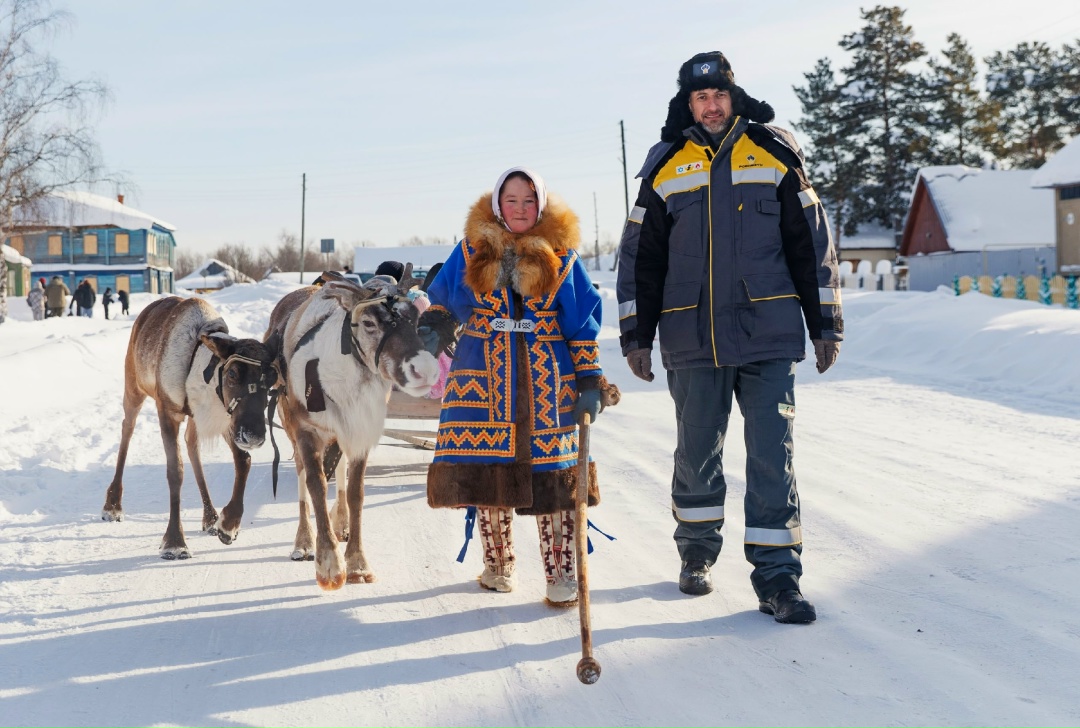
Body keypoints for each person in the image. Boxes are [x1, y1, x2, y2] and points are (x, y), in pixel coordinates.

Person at [615, 51, 843, 624]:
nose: (711, 105)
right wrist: (637, 335)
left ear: (733, 97)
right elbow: (640, 258)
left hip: (768, 334)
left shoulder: (773, 154)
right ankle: (696, 553)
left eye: (719, 94)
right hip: (691, 337)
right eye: (701, 97)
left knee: (772, 457)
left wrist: (825, 323)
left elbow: (811, 245)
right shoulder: (666, 166)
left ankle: (778, 579)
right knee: (697, 454)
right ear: (688, 104)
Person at [420, 167, 606, 606]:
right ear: (498, 205)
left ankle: (561, 574)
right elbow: (445, 300)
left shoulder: (562, 254)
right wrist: (434, 327)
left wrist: (589, 378)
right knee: (487, 470)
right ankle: (498, 566)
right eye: (511, 200)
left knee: (555, 476)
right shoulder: (472, 249)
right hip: (483, 371)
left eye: (528, 200)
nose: (520, 208)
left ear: (540, 204)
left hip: (548, 376)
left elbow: (581, 321)